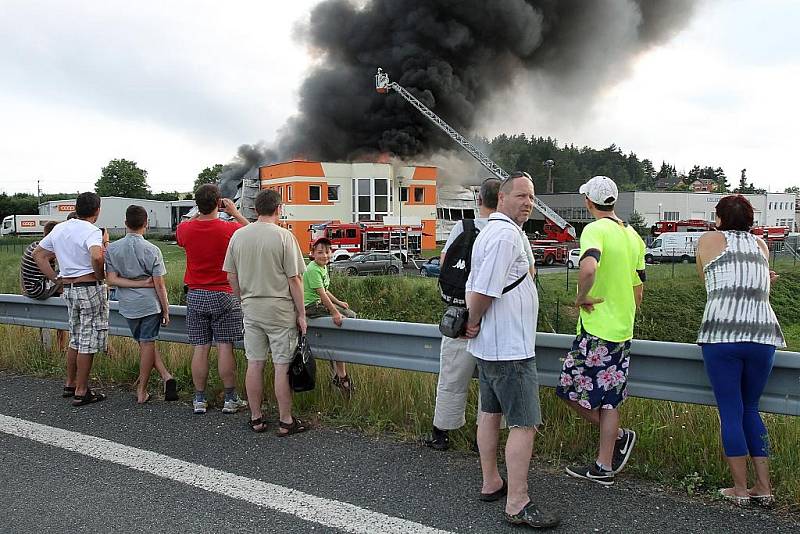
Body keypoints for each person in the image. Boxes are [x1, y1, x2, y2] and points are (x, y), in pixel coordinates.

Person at [463, 172, 560, 529]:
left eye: (532, 197)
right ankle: (517, 501)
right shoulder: (505, 234)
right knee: (524, 423)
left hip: (491, 347)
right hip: (510, 350)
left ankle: (492, 482)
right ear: (501, 198)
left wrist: (475, 327)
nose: (528, 202)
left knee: (489, 414)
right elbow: (485, 289)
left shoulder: (492, 230)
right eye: (521, 195)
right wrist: (473, 320)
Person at [427, 177, 537, 451]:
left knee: (452, 377)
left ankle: (441, 433)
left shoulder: (463, 227)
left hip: (462, 317)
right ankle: (484, 440)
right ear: (501, 197)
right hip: (500, 322)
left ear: (479, 201)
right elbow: (529, 272)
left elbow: (444, 265)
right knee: (491, 386)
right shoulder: (513, 231)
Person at [695, 194, 785, 506]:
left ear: (719, 218)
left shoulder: (709, 240)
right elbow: (760, 285)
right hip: (762, 334)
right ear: (750, 220)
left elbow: (708, 282)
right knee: (750, 408)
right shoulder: (761, 245)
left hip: (722, 333)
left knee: (730, 411)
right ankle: (764, 487)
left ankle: (740, 490)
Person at [555, 176, 645, 486]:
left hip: (597, 328)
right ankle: (603, 466)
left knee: (568, 391)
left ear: (588, 202)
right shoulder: (632, 235)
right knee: (609, 401)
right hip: (622, 329)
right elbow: (638, 290)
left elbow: (589, 266)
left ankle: (619, 437)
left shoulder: (594, 229)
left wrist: (581, 298)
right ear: (614, 201)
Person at [223, 189, 308, 436]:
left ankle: (256, 417)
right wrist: (301, 314)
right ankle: (285, 421)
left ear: (254, 209)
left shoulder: (238, 236)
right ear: (278, 209)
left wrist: (243, 298)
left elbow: (231, 276)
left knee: (255, 363)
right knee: (281, 367)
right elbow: (295, 279)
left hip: (251, 308)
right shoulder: (284, 237)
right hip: (280, 310)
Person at [177, 184, 249, 415]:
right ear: (218, 202)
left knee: (201, 347)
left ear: (197, 204)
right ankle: (230, 398)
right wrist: (235, 212)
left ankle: (199, 399)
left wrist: (199, 212)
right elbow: (252, 232)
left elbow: (183, 228)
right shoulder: (228, 228)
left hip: (196, 294)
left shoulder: (186, 229)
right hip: (224, 293)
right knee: (225, 346)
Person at [33, 192, 109, 406]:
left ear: (76, 208)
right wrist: (100, 274)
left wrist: (55, 278)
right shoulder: (92, 231)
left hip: (70, 289)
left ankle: (70, 382)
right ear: (97, 210)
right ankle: (82, 390)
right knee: (88, 339)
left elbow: (38, 254)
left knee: (75, 337)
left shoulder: (60, 229)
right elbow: (96, 255)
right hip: (89, 287)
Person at [105, 205, 177, 404]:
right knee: (147, 343)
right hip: (149, 304)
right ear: (146, 224)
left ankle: (166, 376)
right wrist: (166, 309)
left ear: (125, 223)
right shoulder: (152, 250)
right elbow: (159, 284)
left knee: (144, 343)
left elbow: (111, 279)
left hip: (128, 305)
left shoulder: (112, 249)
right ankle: (142, 389)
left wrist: (132, 284)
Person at [303, 237, 357, 394]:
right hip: (311, 306)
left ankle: (338, 362)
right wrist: (335, 313)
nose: (324, 256)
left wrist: (339, 303)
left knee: (350, 314)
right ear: (312, 254)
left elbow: (325, 290)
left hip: (319, 303)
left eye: (327, 252)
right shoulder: (312, 269)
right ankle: (339, 369)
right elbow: (321, 294)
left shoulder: (323, 268)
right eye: (320, 252)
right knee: (346, 318)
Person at [21, 220, 67, 351]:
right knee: (66, 277)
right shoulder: (48, 251)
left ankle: (58, 343)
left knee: (60, 280)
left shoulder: (35, 245)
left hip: (31, 288)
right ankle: (61, 344)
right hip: (39, 289)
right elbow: (62, 270)